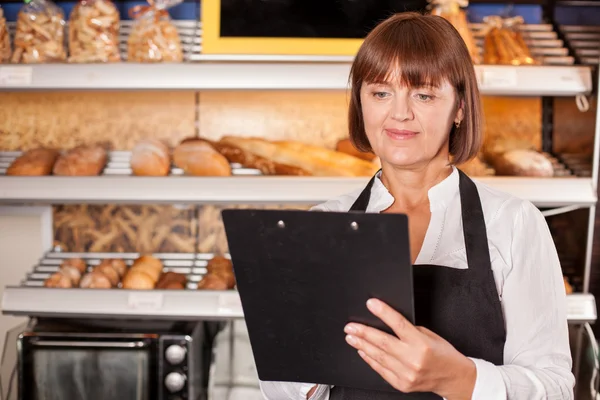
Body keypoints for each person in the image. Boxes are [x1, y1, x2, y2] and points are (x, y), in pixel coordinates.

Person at [258, 11, 574, 400]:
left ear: (459, 107)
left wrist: (458, 378)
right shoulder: (323, 225)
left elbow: (556, 388)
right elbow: (280, 384)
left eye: (423, 94)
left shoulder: (513, 223)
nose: (400, 113)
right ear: (361, 103)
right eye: (380, 93)